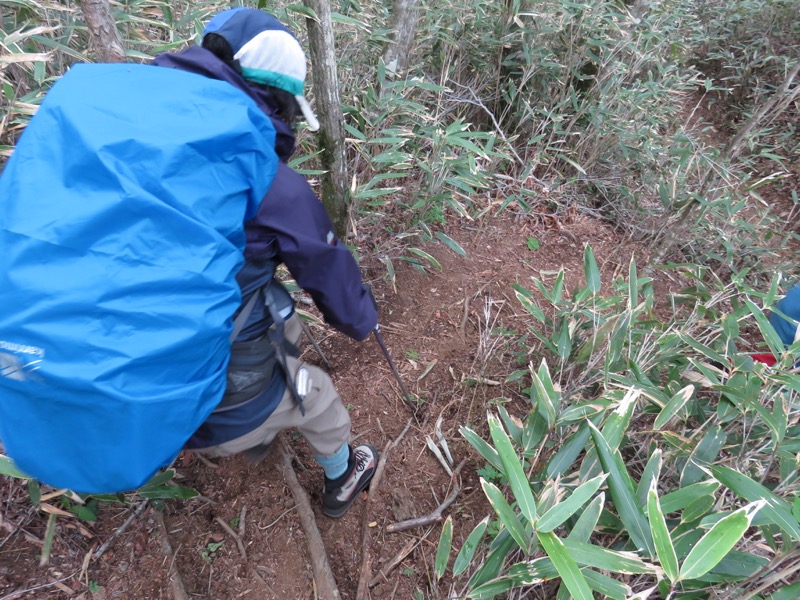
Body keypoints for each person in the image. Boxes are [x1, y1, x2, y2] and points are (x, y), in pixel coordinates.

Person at [153, 8, 379, 518]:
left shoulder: (139, 137)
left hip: (130, 367)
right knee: (317, 395)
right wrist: (364, 321)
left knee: (277, 314)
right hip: (202, 397)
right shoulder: (270, 183)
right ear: (276, 98)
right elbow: (331, 275)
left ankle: (257, 425)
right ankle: (344, 474)